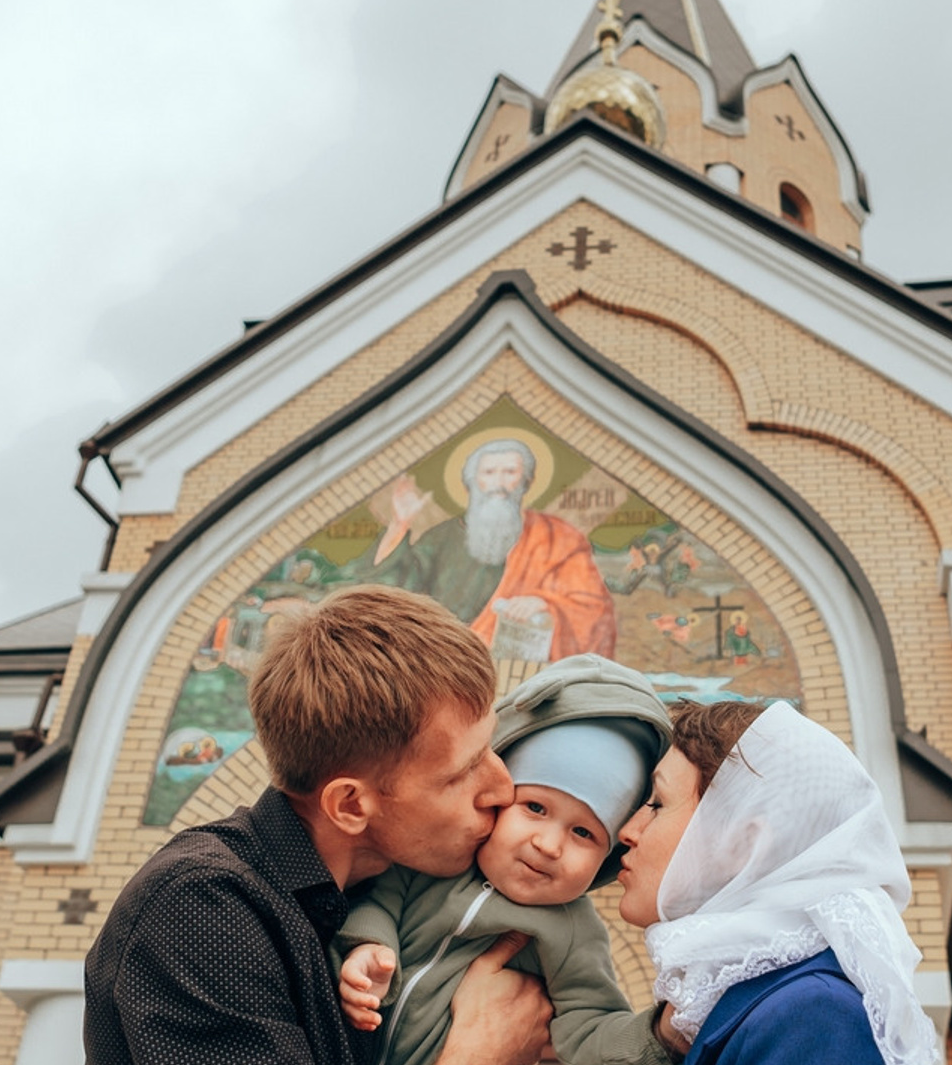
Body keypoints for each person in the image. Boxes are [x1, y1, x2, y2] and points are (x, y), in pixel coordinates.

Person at [83, 584, 553, 1065]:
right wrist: (481, 1055)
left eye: (491, 748)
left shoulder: (390, 892)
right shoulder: (199, 909)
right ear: (350, 805)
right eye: (461, 773)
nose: (503, 789)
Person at [335, 654, 674, 1065]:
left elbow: (590, 1024)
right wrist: (370, 945)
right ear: (498, 798)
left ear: (606, 858)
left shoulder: (572, 931)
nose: (549, 845)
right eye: (534, 807)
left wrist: (662, 1036)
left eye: (583, 833)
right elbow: (375, 900)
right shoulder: (436, 864)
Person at [617, 699, 942, 1065]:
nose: (627, 831)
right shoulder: (736, 1009)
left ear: (741, 843)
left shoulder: (814, 1017)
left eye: (657, 803)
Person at [363, 438, 616, 660]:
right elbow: (393, 591)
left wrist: (545, 603)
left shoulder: (558, 537)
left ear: (526, 481)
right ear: (472, 483)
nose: (499, 482)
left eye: (509, 472)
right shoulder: (441, 537)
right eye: (489, 472)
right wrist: (399, 524)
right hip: (451, 669)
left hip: (525, 676)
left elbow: (594, 609)